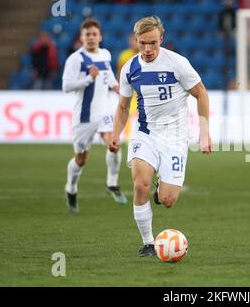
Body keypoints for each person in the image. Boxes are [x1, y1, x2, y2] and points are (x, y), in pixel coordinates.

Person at [108, 16, 212, 257]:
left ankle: (160, 188)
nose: (148, 49)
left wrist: (204, 132)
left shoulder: (177, 63)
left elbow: (201, 94)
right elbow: (123, 107)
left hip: (175, 138)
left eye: (153, 43)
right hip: (144, 133)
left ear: (161, 40)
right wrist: (115, 134)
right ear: (136, 41)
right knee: (140, 184)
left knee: (167, 200)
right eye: (143, 43)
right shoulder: (130, 68)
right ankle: (148, 243)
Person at [62, 18, 128, 213]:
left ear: (100, 37)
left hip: (105, 112)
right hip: (84, 117)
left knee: (114, 144)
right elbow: (66, 86)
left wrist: (118, 88)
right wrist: (88, 78)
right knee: (81, 159)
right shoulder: (75, 59)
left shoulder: (105, 54)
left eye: (94, 34)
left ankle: (112, 183)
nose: (91, 37)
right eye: (87, 34)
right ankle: (71, 188)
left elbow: (108, 77)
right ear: (81, 38)